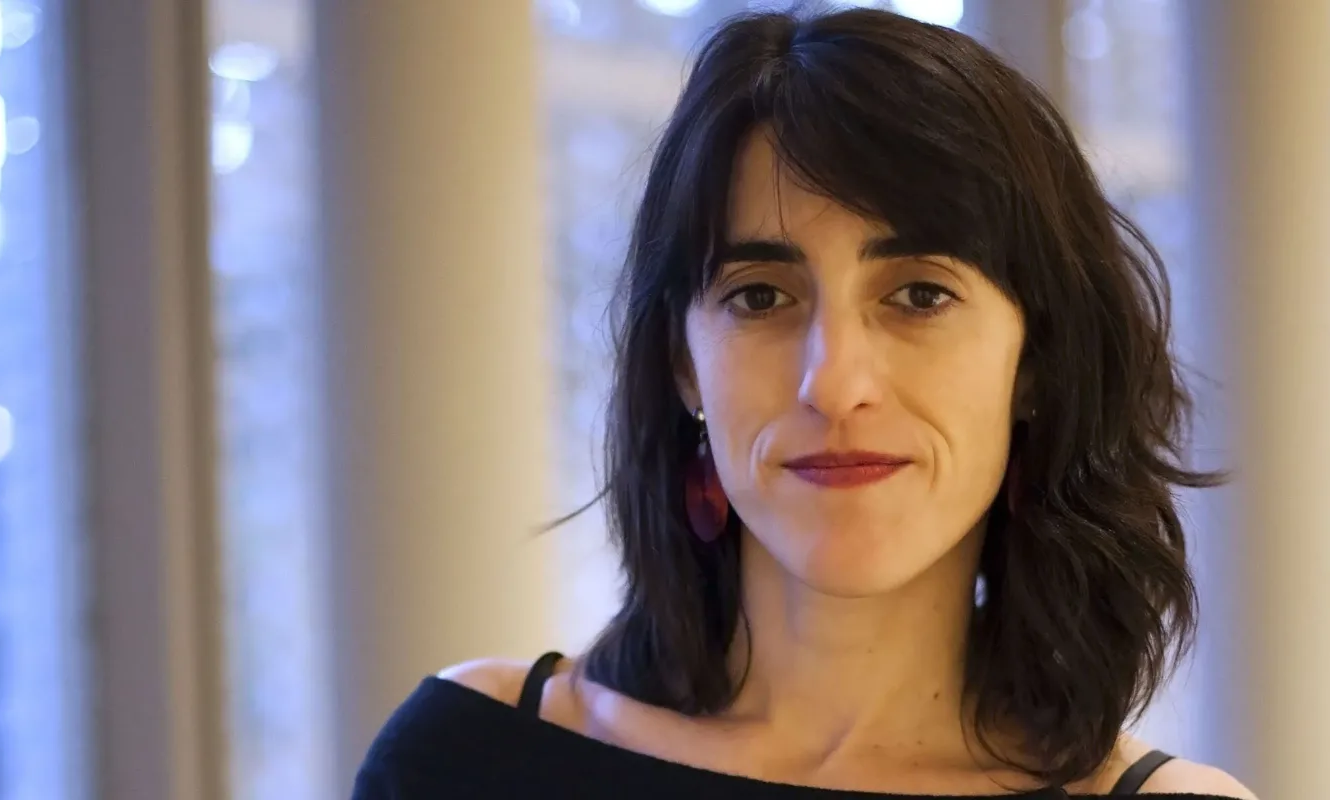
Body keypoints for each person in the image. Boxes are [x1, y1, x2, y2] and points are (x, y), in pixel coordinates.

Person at [354, 6, 1254, 798]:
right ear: (682, 364)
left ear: (1035, 365)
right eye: (760, 297)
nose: (835, 384)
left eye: (919, 295)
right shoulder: (463, 758)